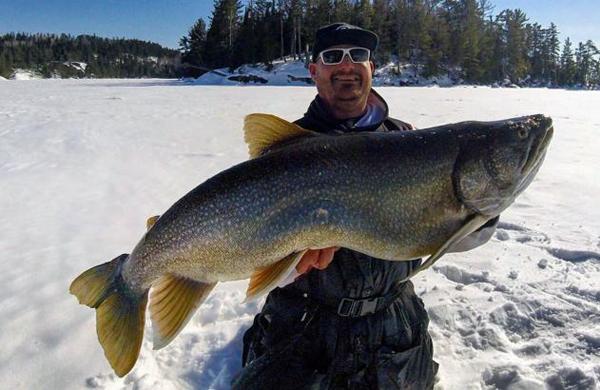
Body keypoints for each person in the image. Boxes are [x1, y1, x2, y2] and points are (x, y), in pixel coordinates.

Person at [232, 23, 498, 390]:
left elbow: (456, 239)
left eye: (358, 55)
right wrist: (290, 262)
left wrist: (480, 210)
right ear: (313, 70)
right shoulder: (286, 149)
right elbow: (251, 243)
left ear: (372, 67)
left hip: (393, 322)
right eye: (332, 56)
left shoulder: (406, 140)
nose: (346, 65)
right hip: (305, 321)